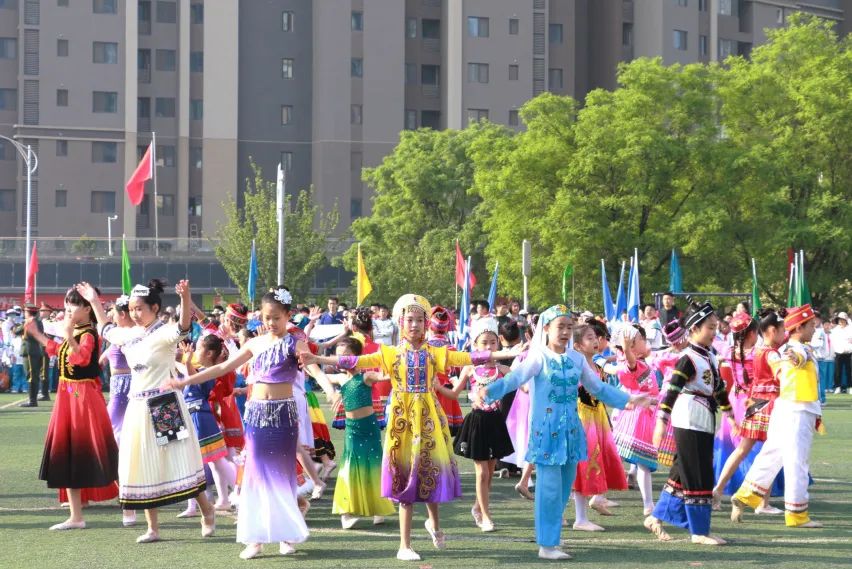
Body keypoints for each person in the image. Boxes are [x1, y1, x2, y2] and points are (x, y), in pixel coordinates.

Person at [299, 294, 517, 562]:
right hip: (402, 424)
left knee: (429, 472)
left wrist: (507, 353)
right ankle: (404, 545)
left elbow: (469, 357)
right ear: (401, 323)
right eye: (409, 320)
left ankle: (434, 523)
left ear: (426, 324)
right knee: (404, 479)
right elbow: (354, 362)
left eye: (419, 320)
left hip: (428, 421)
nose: (414, 325)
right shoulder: (390, 353)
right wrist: (316, 357)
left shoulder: (434, 352)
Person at [171, 285, 336, 560]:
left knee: (283, 475)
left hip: (283, 416)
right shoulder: (255, 343)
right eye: (267, 317)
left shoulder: (295, 343)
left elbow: (314, 369)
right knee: (255, 476)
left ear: (288, 316)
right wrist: (186, 380)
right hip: (257, 416)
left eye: (277, 318)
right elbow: (222, 367)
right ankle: (255, 539)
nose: (271, 322)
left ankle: (286, 535)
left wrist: (330, 390)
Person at [477, 305, 650, 561]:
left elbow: (598, 388)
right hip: (546, 432)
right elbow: (515, 379)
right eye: (560, 326)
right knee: (548, 489)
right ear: (546, 328)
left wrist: (629, 400)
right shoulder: (538, 357)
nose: (566, 332)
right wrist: (489, 391)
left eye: (569, 327)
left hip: (571, 432)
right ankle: (547, 545)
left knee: (564, 487)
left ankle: (552, 534)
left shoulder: (576, 359)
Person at [80, 279, 215, 544]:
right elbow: (105, 328)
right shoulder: (128, 334)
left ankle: (206, 510)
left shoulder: (164, 333)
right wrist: (94, 300)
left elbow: (183, 327)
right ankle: (152, 528)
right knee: (141, 463)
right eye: (132, 309)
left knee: (180, 460)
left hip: (164, 405)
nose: (134, 313)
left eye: (139, 308)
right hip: (138, 407)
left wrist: (185, 297)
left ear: (154, 308)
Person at [24, 286, 119, 530]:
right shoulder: (75, 331)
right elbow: (58, 351)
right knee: (69, 451)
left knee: (84, 449)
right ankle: (77, 514)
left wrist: (67, 335)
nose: (67, 308)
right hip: (69, 395)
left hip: (82, 397)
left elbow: (82, 358)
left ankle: (127, 498)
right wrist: (38, 335)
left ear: (87, 309)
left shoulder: (88, 333)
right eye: (67, 303)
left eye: (73, 304)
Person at [646, 301, 735, 545]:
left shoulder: (710, 356)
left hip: (703, 417)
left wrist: (730, 414)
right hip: (689, 418)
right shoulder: (687, 358)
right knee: (698, 473)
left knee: (682, 472)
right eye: (710, 327)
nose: (714, 331)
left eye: (716, 327)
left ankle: (656, 516)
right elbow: (672, 391)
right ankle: (699, 531)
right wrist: (661, 421)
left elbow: (718, 389)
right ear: (694, 329)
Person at [731, 304, 823, 528]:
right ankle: (796, 514)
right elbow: (797, 357)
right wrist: (794, 357)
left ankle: (745, 495)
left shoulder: (793, 347)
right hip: (797, 411)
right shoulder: (795, 349)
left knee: (771, 455)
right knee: (796, 462)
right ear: (798, 328)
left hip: (786, 408)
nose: (814, 328)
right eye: (811, 325)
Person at [712, 311, 783, 512]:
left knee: (740, 450)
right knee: (767, 451)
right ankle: (763, 502)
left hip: (735, 399)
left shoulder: (728, 350)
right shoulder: (759, 353)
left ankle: (718, 489)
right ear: (752, 333)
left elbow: (716, 341)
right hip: (758, 401)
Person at [449, 317, 514, 533]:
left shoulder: (503, 370)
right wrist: (437, 386)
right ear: (475, 345)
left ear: (499, 344)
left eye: (493, 342)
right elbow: (454, 393)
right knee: (482, 473)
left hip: (496, 421)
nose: (489, 347)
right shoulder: (469, 369)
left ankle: (478, 507)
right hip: (477, 422)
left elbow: (522, 384)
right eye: (484, 342)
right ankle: (486, 516)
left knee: (491, 470)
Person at [327, 337, 395, 528]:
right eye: (338, 356)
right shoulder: (341, 378)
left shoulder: (366, 377)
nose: (341, 359)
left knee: (374, 466)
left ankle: (378, 509)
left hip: (369, 428)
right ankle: (346, 513)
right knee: (349, 468)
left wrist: (391, 358)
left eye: (346, 356)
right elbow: (317, 374)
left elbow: (385, 376)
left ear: (357, 357)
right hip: (352, 430)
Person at [572, 322, 628, 531]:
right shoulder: (577, 367)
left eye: (595, 337)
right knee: (583, 465)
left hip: (598, 418)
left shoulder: (596, 364)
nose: (595, 341)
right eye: (589, 338)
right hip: (583, 418)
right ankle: (580, 518)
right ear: (577, 346)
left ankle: (593, 502)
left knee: (597, 461)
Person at [610, 325, 658, 516]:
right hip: (638, 416)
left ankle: (648, 503)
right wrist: (627, 348)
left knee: (635, 461)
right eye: (641, 340)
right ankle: (648, 504)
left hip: (643, 413)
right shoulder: (632, 364)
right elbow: (630, 363)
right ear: (631, 346)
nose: (645, 342)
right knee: (641, 462)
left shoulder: (640, 362)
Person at [427, 306, 465, 437]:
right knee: (445, 435)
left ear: (429, 326)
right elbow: (455, 373)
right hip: (447, 393)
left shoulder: (424, 348)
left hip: (428, 390)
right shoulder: (451, 349)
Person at [17, 305, 45, 407]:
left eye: (25, 312)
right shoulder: (39, 322)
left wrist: (22, 323)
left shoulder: (29, 322)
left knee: (31, 376)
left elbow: (16, 331)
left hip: (29, 351)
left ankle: (32, 401)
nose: (24, 313)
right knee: (34, 376)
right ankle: (33, 400)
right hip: (35, 350)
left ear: (28, 313)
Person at [811, 314, 834, 400]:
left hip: (819, 359)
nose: (814, 321)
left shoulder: (820, 331)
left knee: (820, 379)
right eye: (813, 319)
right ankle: (816, 398)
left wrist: (808, 347)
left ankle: (822, 398)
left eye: (816, 319)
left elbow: (818, 344)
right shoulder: (812, 329)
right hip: (812, 358)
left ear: (819, 320)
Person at [831, 311, 851, 394]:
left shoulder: (850, 328)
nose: (841, 321)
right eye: (840, 320)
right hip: (838, 353)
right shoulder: (835, 330)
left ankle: (850, 387)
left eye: (843, 319)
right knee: (837, 371)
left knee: (849, 371)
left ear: (846, 320)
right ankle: (837, 387)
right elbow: (833, 342)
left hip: (849, 353)